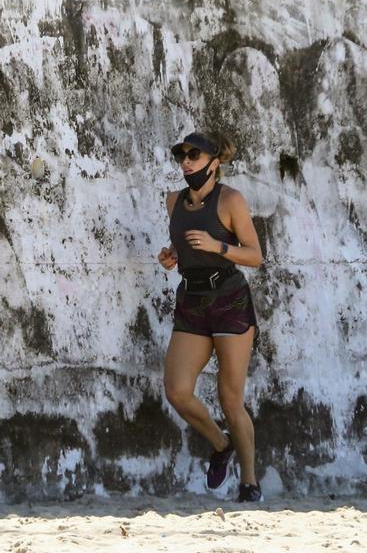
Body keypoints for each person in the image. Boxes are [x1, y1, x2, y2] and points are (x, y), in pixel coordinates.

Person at [158, 131, 263, 502]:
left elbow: (255, 255)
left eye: (194, 155)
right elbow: (184, 242)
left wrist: (219, 245)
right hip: (193, 301)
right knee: (177, 390)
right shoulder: (173, 201)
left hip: (229, 302)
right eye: (182, 156)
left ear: (213, 164)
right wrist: (172, 256)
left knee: (230, 398)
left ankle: (249, 483)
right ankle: (221, 445)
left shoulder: (231, 200)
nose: (186, 162)